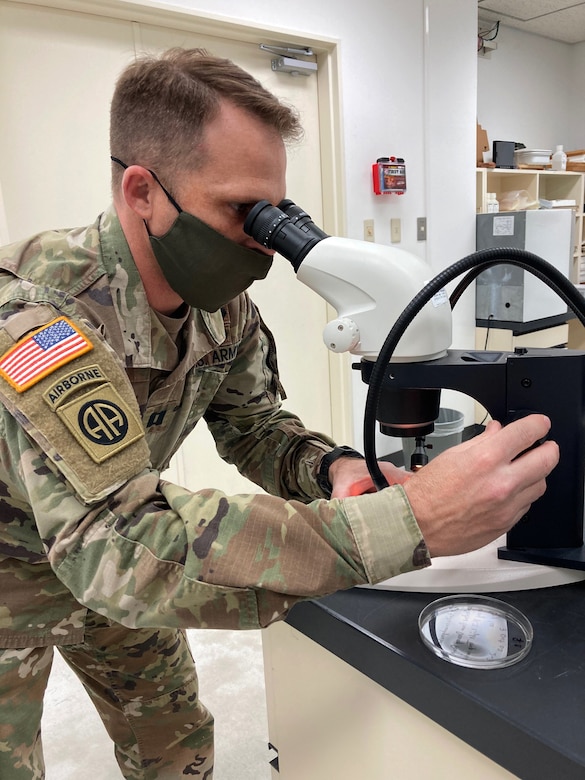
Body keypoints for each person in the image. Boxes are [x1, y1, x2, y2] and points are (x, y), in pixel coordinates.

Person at [0, 48, 557, 779]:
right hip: (24, 577)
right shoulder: (41, 320)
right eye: (240, 211)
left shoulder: (221, 306)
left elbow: (255, 426)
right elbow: (116, 542)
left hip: (119, 565)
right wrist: (405, 525)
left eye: (275, 213)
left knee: (176, 743)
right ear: (143, 191)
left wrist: (333, 468)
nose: (263, 241)